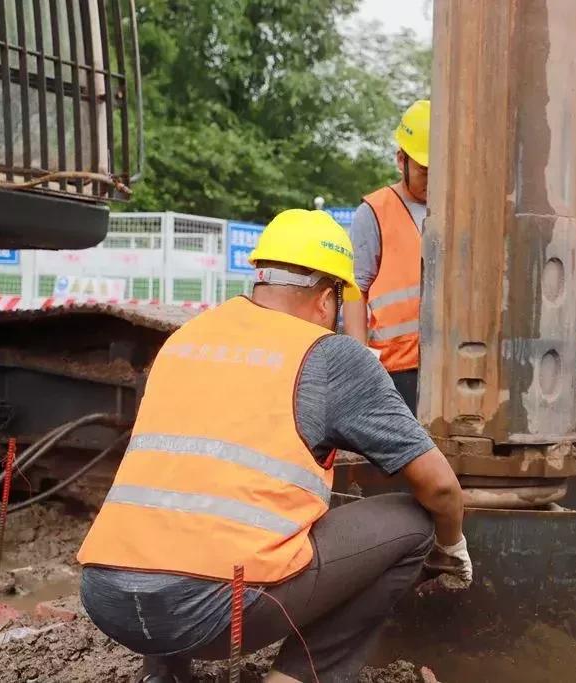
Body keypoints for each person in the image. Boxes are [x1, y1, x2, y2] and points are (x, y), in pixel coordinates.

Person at [76, 209, 471, 683]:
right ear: (328, 300)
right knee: (414, 523)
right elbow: (441, 488)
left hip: (108, 600)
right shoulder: (328, 355)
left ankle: (164, 675)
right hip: (214, 615)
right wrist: (452, 546)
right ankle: (295, 677)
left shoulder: (185, 339)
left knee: (184, 514)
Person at [344, 100, 430, 414]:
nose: (432, 179)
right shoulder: (375, 212)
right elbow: (355, 288)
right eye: (424, 170)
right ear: (401, 160)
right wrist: (360, 361)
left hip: (449, 365)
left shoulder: (456, 211)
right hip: (396, 369)